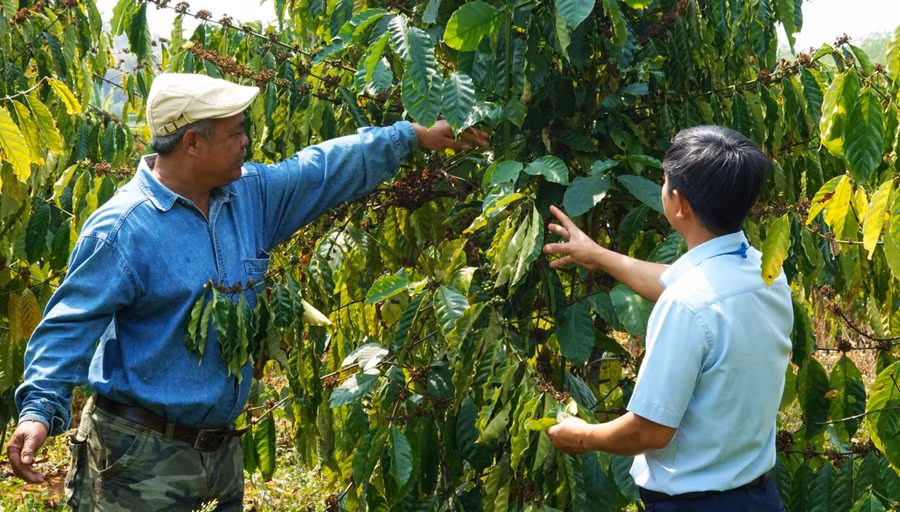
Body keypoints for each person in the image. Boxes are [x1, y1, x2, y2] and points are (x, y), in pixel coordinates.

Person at [6, 73, 488, 510]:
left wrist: (411, 136)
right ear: (192, 142)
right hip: (138, 459)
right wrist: (38, 410)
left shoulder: (248, 196)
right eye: (236, 132)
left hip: (220, 454)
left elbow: (321, 169)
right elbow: (68, 324)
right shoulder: (123, 230)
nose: (246, 142)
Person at [542, 126, 791, 511]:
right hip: (760, 498)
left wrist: (582, 437)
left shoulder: (687, 305)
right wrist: (598, 255)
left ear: (680, 203)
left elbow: (649, 431)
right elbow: (683, 286)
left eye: (664, 180)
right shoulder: (766, 272)